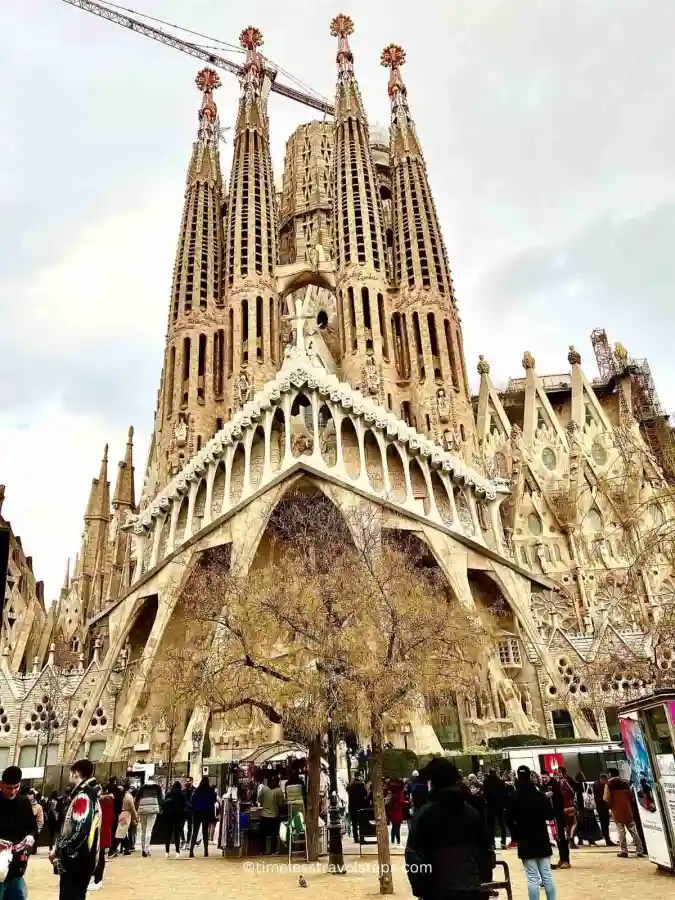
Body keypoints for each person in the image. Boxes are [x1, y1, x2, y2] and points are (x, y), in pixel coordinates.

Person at [405, 758, 493, 900]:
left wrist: (420, 888)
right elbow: (485, 850)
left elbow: (414, 856)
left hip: (436, 888)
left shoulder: (424, 815)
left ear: (432, 782)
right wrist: (482, 881)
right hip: (470, 886)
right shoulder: (471, 813)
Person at [51, 758, 101, 900]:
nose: (69, 777)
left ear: (76, 773)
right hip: (84, 859)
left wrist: (61, 849)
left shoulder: (82, 797)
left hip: (76, 861)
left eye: (70, 773)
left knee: (70, 895)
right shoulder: (91, 795)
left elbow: (80, 829)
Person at [506, 766, 556, 900]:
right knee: (547, 875)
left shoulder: (514, 796)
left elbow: (509, 819)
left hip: (525, 838)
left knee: (532, 877)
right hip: (541, 836)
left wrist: (515, 835)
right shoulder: (539, 795)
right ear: (530, 776)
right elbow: (550, 815)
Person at [0, 766, 38, 899]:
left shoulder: (23, 802)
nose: (12, 791)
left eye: (16, 787)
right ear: (1, 784)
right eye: (9, 788)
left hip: (16, 866)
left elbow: (32, 827)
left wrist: (31, 836)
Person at [603, 768, 645, 858]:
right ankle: (640, 850)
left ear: (610, 774)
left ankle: (624, 851)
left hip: (616, 810)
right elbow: (632, 797)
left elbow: (605, 798)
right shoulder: (625, 783)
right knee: (633, 830)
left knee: (621, 831)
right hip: (627, 809)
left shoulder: (608, 785)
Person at [90, 782, 114, 892]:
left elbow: (106, 819)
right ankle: (95, 879)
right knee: (97, 857)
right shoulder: (100, 802)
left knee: (99, 857)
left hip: (101, 832)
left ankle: (98, 880)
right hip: (98, 832)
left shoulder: (105, 802)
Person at [190, 776, 218, 857]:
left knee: (195, 831)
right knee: (205, 831)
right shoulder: (211, 790)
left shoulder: (197, 791)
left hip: (197, 812)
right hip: (206, 812)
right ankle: (206, 851)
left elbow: (192, 801)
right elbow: (214, 800)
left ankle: (191, 851)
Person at [135, 776, 163, 858]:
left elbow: (137, 799)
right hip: (152, 809)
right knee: (149, 829)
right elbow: (161, 799)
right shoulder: (157, 787)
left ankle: (143, 848)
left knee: (143, 830)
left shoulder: (142, 787)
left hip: (142, 809)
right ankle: (146, 849)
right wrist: (160, 808)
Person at [258, 774, 285, 855]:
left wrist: (264, 804)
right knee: (274, 834)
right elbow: (281, 804)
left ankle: (262, 851)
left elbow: (259, 800)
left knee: (262, 834)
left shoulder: (264, 789)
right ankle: (273, 851)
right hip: (274, 816)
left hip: (264, 815)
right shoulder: (279, 791)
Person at [548, 778, 570, 869]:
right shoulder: (544, 790)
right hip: (552, 818)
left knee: (562, 839)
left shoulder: (560, 792)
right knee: (557, 839)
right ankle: (562, 858)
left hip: (560, 818)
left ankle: (566, 860)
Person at [109, 783, 136, 857]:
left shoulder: (118, 795)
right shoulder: (128, 796)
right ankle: (114, 849)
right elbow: (132, 808)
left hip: (119, 814)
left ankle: (126, 848)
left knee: (121, 832)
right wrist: (135, 817)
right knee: (120, 833)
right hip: (126, 814)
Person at [483, 769, 507, 850]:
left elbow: (485, 793)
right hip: (500, 805)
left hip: (491, 805)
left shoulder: (486, 782)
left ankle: (492, 843)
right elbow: (504, 792)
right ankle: (503, 842)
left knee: (491, 825)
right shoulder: (499, 781)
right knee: (502, 824)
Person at [162, 781, 186, 859]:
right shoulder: (181, 794)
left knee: (168, 834)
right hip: (178, 816)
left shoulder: (169, 793)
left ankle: (167, 851)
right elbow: (184, 804)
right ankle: (177, 851)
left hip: (169, 816)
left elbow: (164, 804)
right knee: (177, 834)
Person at [592, 774, 615, 847]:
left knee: (605, 823)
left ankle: (607, 838)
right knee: (604, 823)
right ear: (602, 779)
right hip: (602, 806)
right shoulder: (599, 786)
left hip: (601, 806)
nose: (607, 782)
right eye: (606, 780)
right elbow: (603, 796)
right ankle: (607, 839)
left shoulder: (597, 784)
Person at [346, 774, 368, 843]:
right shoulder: (361, 785)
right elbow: (365, 794)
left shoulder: (351, 786)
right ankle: (361, 837)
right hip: (360, 807)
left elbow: (347, 789)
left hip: (352, 807)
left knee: (354, 823)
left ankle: (356, 838)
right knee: (361, 823)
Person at [385, 778, 406, 845]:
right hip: (398, 810)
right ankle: (397, 840)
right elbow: (401, 801)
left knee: (394, 826)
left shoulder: (391, 792)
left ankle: (393, 840)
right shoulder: (400, 792)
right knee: (397, 827)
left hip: (393, 810)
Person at [181, 777, 195, 848]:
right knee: (181, 826)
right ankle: (183, 840)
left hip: (191, 811)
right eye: (186, 781)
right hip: (183, 811)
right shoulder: (183, 791)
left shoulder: (195, 790)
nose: (187, 782)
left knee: (190, 827)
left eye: (188, 781)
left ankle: (188, 842)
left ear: (192, 781)